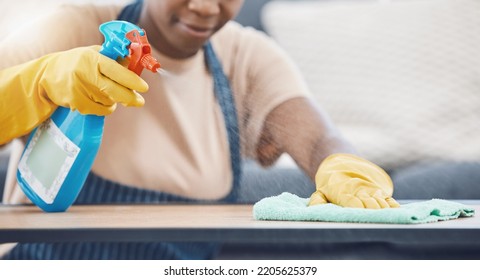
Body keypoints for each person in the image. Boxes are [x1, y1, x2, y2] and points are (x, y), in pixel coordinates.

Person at [0, 0, 399, 259]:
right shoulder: (69, 30)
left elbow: (315, 139)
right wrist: (37, 83)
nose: (207, 7)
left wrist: (341, 165)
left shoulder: (247, 57)